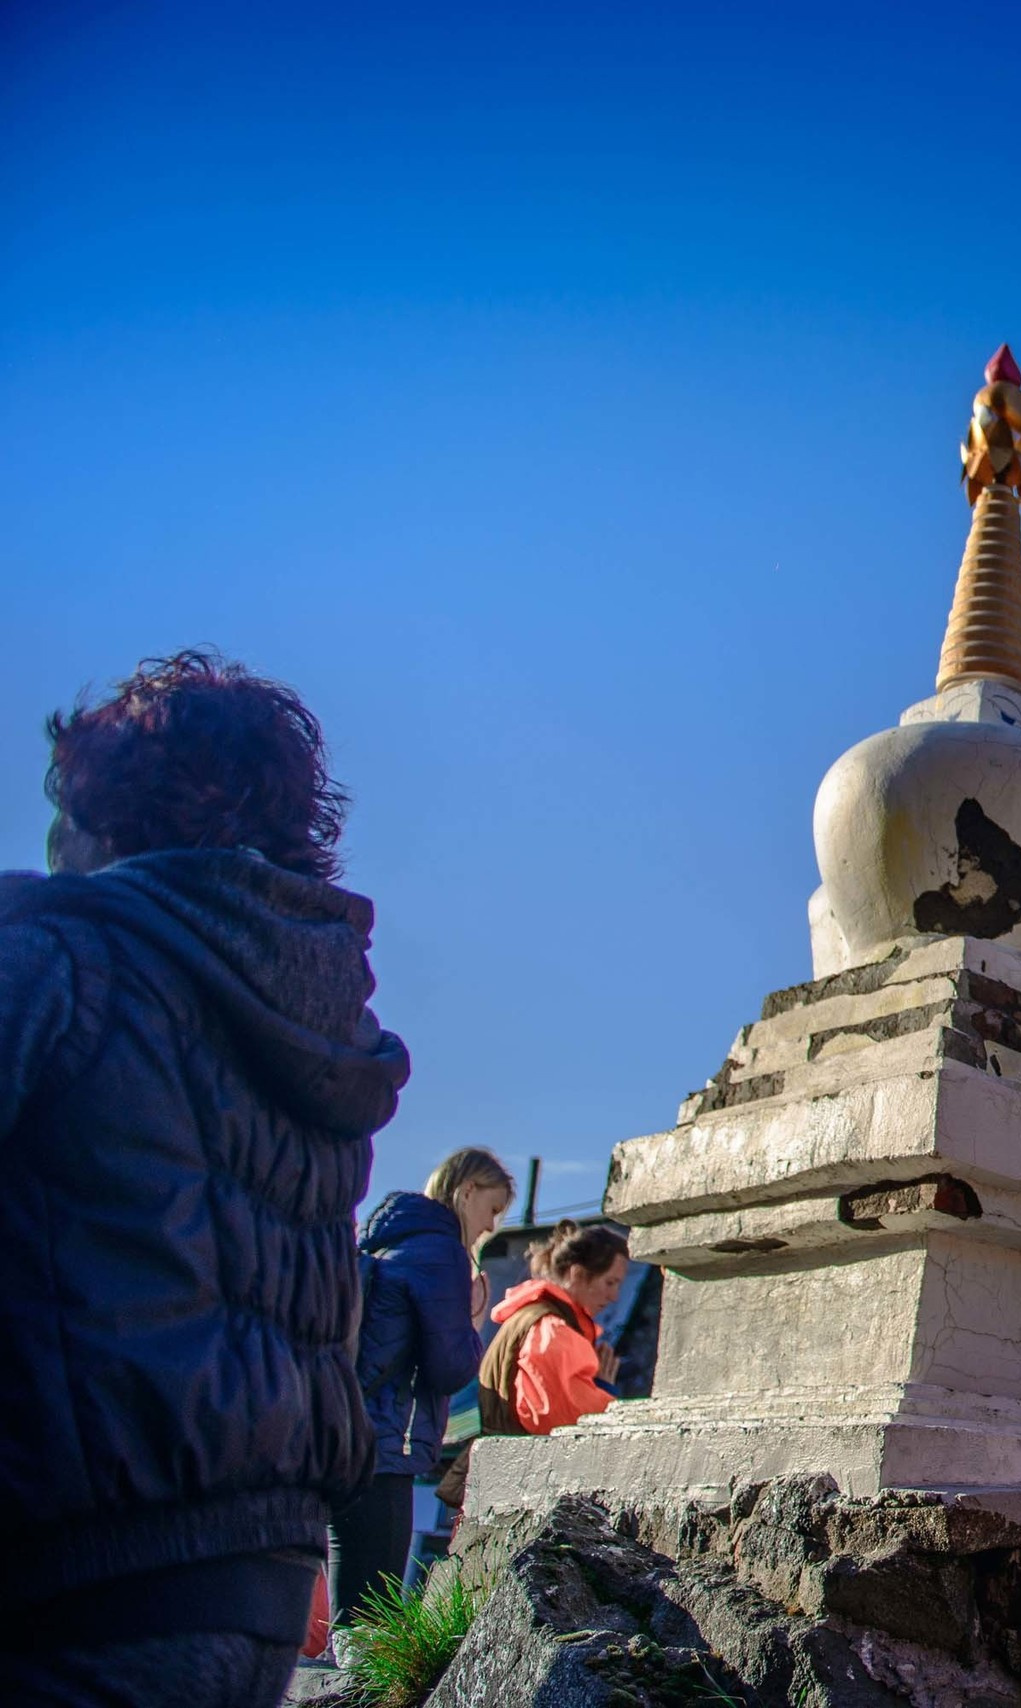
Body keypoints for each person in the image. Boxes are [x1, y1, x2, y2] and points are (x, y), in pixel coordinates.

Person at [0, 652, 410, 1708]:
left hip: (71, 1573)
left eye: (67, 814)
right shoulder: (318, 1010)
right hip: (252, 1582)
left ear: (108, 819)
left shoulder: (65, 958)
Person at [333, 1147, 515, 1623]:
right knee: (372, 1610)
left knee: (346, 1597)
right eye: (492, 1208)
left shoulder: (387, 1242)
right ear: (467, 1190)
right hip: (389, 1442)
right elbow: (449, 1368)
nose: (492, 1226)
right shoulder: (442, 1254)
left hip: (346, 1429)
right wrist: (474, 1325)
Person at [480, 1221, 629, 1439]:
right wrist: (604, 1392)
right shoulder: (552, 1330)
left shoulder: (542, 1319)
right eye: (610, 1283)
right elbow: (560, 1416)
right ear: (577, 1274)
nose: (614, 1296)